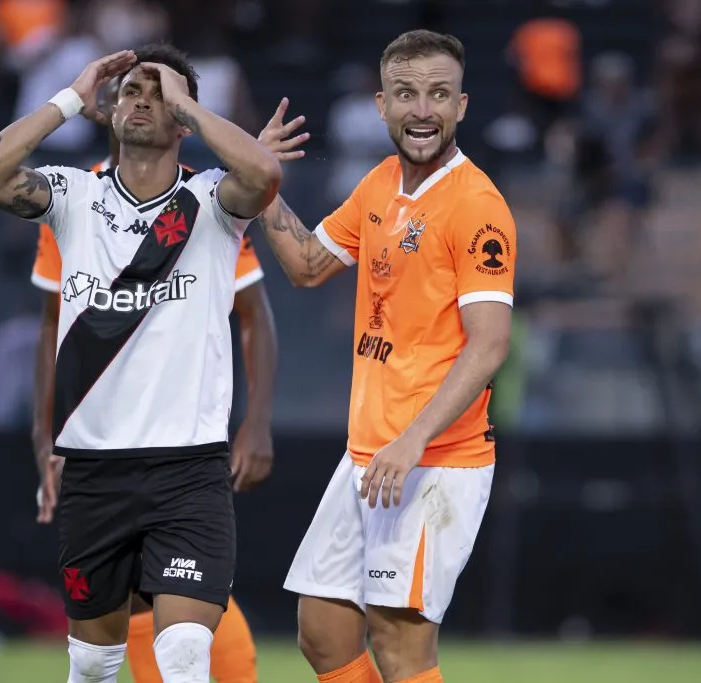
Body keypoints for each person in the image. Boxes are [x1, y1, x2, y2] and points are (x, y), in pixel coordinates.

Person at [0, 42, 282, 683]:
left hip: (188, 470)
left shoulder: (214, 204)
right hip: (93, 472)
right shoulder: (70, 196)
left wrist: (190, 106)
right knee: (93, 662)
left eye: (160, 93)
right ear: (110, 109)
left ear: (185, 114)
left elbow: (265, 175)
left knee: (184, 656)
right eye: (133, 89)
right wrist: (71, 99)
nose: (143, 100)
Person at [255, 30, 515, 683]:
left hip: (433, 460)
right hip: (370, 454)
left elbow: (489, 345)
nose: (421, 110)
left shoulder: (476, 205)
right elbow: (309, 265)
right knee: (324, 629)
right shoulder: (380, 185)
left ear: (461, 106)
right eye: (406, 94)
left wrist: (412, 440)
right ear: (381, 104)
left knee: (400, 646)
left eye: (437, 94)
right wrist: (259, 183)